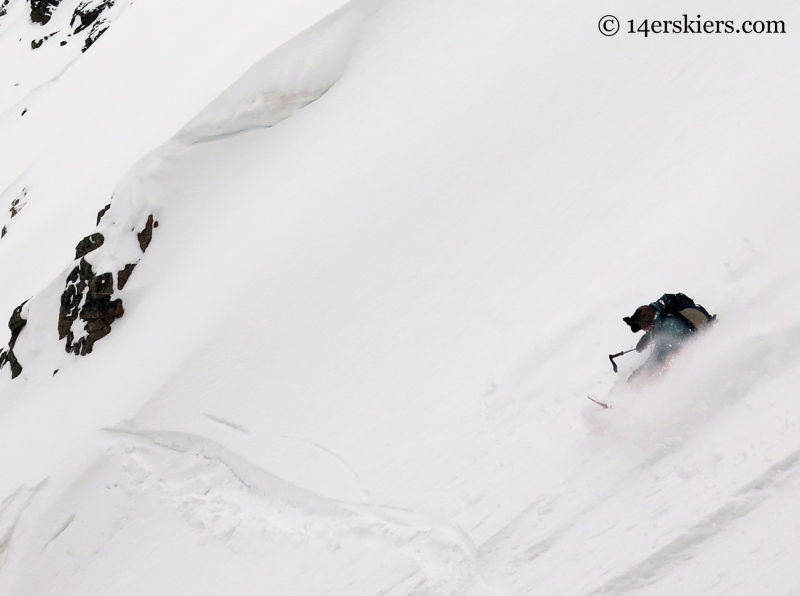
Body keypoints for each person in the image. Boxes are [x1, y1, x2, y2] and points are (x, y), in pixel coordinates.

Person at [623, 293, 714, 381]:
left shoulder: (669, 327)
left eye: (645, 328)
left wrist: (639, 372)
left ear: (650, 323)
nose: (645, 330)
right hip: (685, 334)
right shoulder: (660, 312)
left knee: (665, 363)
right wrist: (645, 339)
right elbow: (657, 327)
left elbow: (658, 357)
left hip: (703, 339)